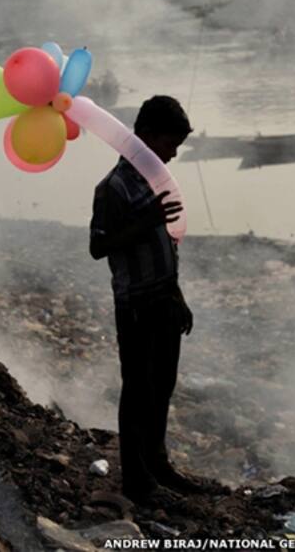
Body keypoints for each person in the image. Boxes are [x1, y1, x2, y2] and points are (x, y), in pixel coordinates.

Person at [88, 95, 210, 506]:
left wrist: (178, 296)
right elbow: (98, 246)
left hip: (164, 300)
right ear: (145, 136)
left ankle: (157, 464)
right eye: (169, 144)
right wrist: (147, 221)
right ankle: (136, 479)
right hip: (136, 305)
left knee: (162, 386)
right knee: (138, 388)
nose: (173, 154)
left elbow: (167, 244)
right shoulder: (114, 186)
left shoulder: (155, 182)